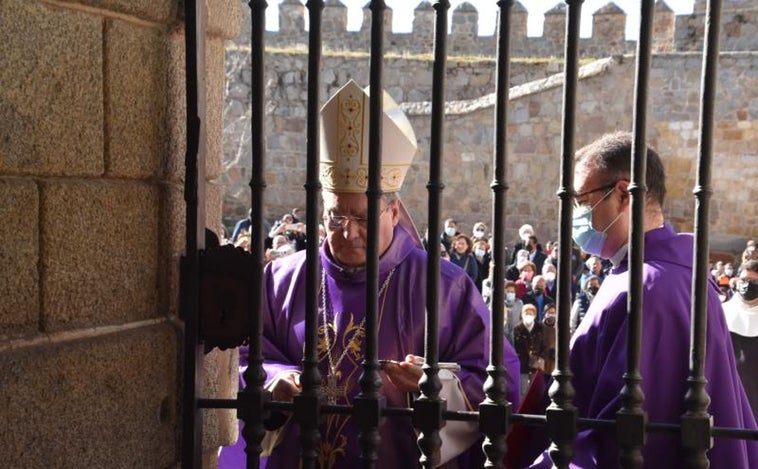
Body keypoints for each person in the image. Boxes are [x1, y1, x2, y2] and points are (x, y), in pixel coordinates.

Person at [220, 80, 521, 468]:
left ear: (394, 213)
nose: (347, 231)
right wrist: (275, 381)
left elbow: (500, 379)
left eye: (362, 217)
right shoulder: (280, 280)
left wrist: (434, 386)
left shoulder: (444, 287)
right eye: (336, 216)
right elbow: (238, 359)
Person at [530, 131, 758, 467]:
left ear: (623, 193)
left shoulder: (649, 288)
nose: (575, 214)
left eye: (580, 200)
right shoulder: (669, 273)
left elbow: (621, 434)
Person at [722, 260, 758, 422]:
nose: (747, 285)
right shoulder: (723, 311)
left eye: (754, 282)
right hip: (728, 387)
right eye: (744, 280)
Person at [513, 303, 546, 399]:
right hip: (523, 364)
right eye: (526, 313)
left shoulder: (540, 327)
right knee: (523, 390)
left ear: (535, 315)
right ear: (522, 315)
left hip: (537, 364)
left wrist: (541, 358)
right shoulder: (517, 329)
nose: (528, 316)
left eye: (531, 314)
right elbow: (516, 346)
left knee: (536, 389)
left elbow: (544, 345)